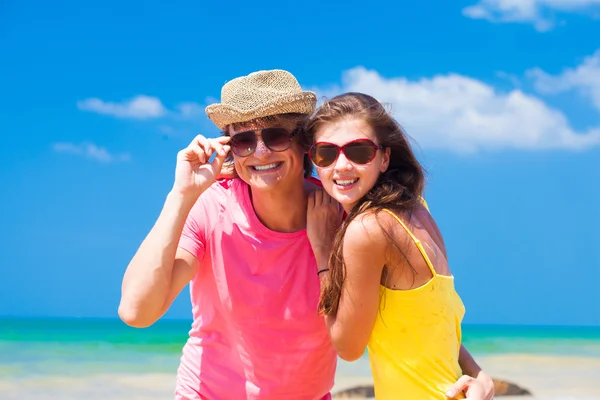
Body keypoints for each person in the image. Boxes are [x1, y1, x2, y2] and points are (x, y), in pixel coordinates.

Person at [118, 70, 494, 399]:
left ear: (304, 144)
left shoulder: (343, 214)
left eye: (276, 135)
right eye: (243, 141)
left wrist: (473, 372)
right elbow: (137, 312)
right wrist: (181, 194)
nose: (260, 151)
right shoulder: (211, 207)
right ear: (229, 148)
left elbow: (412, 311)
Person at [304, 92, 482, 399]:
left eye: (359, 151)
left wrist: (322, 249)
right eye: (326, 154)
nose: (341, 166)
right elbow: (437, 325)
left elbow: (347, 346)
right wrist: (477, 374)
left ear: (384, 158)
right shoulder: (417, 210)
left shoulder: (368, 229)